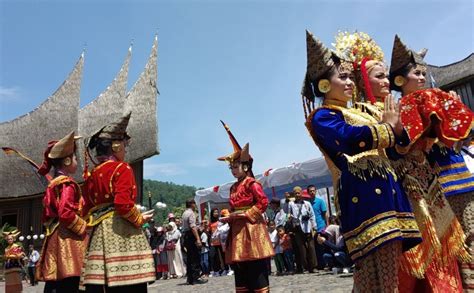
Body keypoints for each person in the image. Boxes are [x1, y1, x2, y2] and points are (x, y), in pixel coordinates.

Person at [301, 30, 421, 292]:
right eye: (342, 77)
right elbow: (349, 139)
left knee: (384, 270)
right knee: (377, 272)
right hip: (364, 195)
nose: (349, 82)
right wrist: (388, 129)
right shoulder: (323, 116)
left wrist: (398, 131)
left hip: (386, 191)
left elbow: (392, 148)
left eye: (349, 77)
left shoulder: (358, 112)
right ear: (323, 85)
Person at [388, 35, 472, 292]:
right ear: (400, 80)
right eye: (417, 73)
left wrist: (452, 111)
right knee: (452, 246)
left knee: (468, 237)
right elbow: (406, 146)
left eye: (424, 72)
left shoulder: (436, 98)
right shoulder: (402, 109)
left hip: (460, 175)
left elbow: (458, 136)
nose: (423, 77)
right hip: (435, 185)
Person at [81, 113, 155, 292]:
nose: (125, 150)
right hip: (120, 231)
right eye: (124, 145)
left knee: (102, 283)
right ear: (116, 146)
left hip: (99, 233)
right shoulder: (122, 168)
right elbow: (122, 204)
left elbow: (86, 208)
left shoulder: (91, 176)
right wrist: (139, 219)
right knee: (129, 283)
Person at [218, 121, 274, 293]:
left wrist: (247, 214)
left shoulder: (252, 183)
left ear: (245, 166)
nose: (233, 171)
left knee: (255, 267)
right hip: (237, 230)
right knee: (241, 271)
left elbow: (263, 202)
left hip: (252, 229)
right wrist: (229, 214)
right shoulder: (233, 187)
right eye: (231, 168)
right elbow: (232, 207)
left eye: (235, 167)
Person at [34, 131, 88, 293]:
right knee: (71, 278)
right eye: (75, 158)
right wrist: (84, 227)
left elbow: (46, 217)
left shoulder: (52, 184)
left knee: (56, 280)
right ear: (67, 160)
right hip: (68, 238)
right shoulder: (67, 184)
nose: (77, 162)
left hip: (55, 236)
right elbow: (66, 213)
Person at [287, 186, 317, 273]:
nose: (297, 195)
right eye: (295, 193)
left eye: (298, 193)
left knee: (311, 247)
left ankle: (313, 266)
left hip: (307, 227)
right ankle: (306, 266)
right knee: (302, 248)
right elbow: (289, 214)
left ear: (301, 193)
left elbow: (312, 215)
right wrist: (291, 219)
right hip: (297, 228)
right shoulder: (291, 204)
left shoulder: (307, 203)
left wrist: (314, 227)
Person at [181, 199, 207, 285]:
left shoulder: (184, 213)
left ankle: (190, 278)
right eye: (194, 203)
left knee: (189, 258)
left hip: (186, 236)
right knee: (195, 257)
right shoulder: (191, 213)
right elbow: (192, 227)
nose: (195, 205)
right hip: (191, 236)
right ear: (192, 204)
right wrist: (198, 239)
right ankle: (196, 277)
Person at [307, 185, 327, 270]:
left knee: (322, 246)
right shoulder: (307, 203)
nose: (312, 192)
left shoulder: (320, 201)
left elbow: (325, 214)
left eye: (313, 191)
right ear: (308, 192)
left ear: (316, 191)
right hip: (312, 228)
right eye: (310, 191)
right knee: (315, 247)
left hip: (321, 226)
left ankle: (324, 263)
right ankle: (319, 264)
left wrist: (327, 225)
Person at [209, 208, 227, 277]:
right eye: (214, 212)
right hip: (213, 241)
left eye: (217, 212)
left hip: (220, 240)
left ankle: (226, 269)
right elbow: (210, 231)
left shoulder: (220, 221)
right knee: (213, 256)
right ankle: (216, 270)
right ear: (212, 214)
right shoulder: (210, 222)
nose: (216, 213)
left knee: (223, 255)